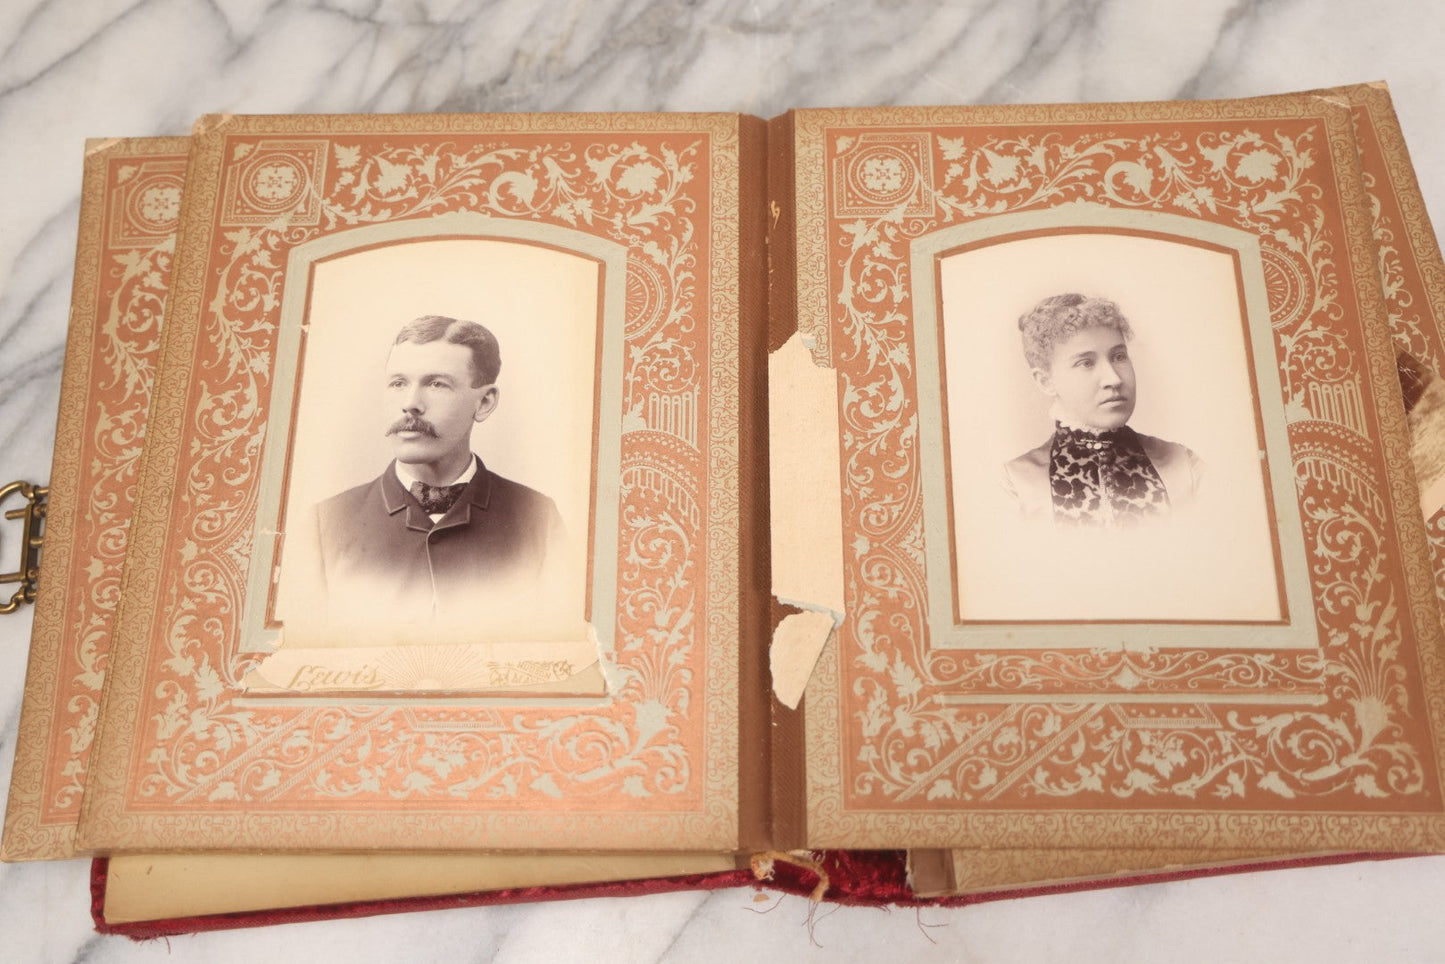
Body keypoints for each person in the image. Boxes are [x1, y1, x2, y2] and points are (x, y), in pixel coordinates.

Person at [304, 314, 566, 628]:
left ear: (484, 402)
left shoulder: (540, 518)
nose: (410, 403)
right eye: (398, 383)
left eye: (437, 383)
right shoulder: (324, 523)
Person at [1002, 293, 1203, 527]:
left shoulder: (1185, 467)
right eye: (1086, 363)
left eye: (1119, 357)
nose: (1114, 379)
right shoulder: (1016, 484)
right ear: (1045, 381)